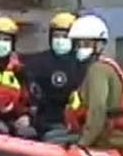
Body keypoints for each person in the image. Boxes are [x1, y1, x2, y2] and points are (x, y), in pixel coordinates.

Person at [63, 14, 123, 151]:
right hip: (111, 135)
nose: (80, 48)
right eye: (78, 44)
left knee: (52, 140)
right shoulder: (103, 66)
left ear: (99, 45)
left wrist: (83, 144)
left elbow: (97, 110)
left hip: (111, 138)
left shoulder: (98, 70)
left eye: (86, 44)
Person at [24, 11, 87, 142]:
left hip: (70, 123)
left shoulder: (82, 63)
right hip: (43, 120)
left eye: (65, 36)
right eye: (56, 36)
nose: (60, 40)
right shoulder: (39, 61)